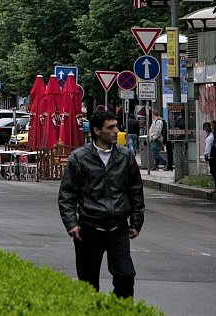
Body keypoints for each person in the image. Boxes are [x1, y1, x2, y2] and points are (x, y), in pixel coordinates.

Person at [57, 109, 144, 299]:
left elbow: (135, 190)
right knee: (88, 283)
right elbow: (67, 194)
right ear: (97, 131)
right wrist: (71, 223)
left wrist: (136, 222)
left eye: (116, 126)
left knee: (126, 276)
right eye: (111, 127)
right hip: (88, 229)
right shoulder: (79, 158)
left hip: (118, 228)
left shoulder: (125, 156)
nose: (116, 131)